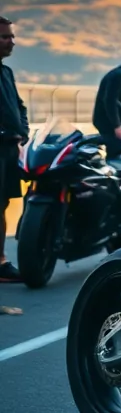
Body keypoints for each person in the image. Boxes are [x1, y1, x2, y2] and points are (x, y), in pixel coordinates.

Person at [0, 16, 27, 283]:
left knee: (3, 204)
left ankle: (1, 261)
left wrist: (23, 133)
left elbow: (20, 107)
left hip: (9, 148)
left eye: (12, 36)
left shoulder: (6, 72)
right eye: (5, 37)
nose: (12, 42)